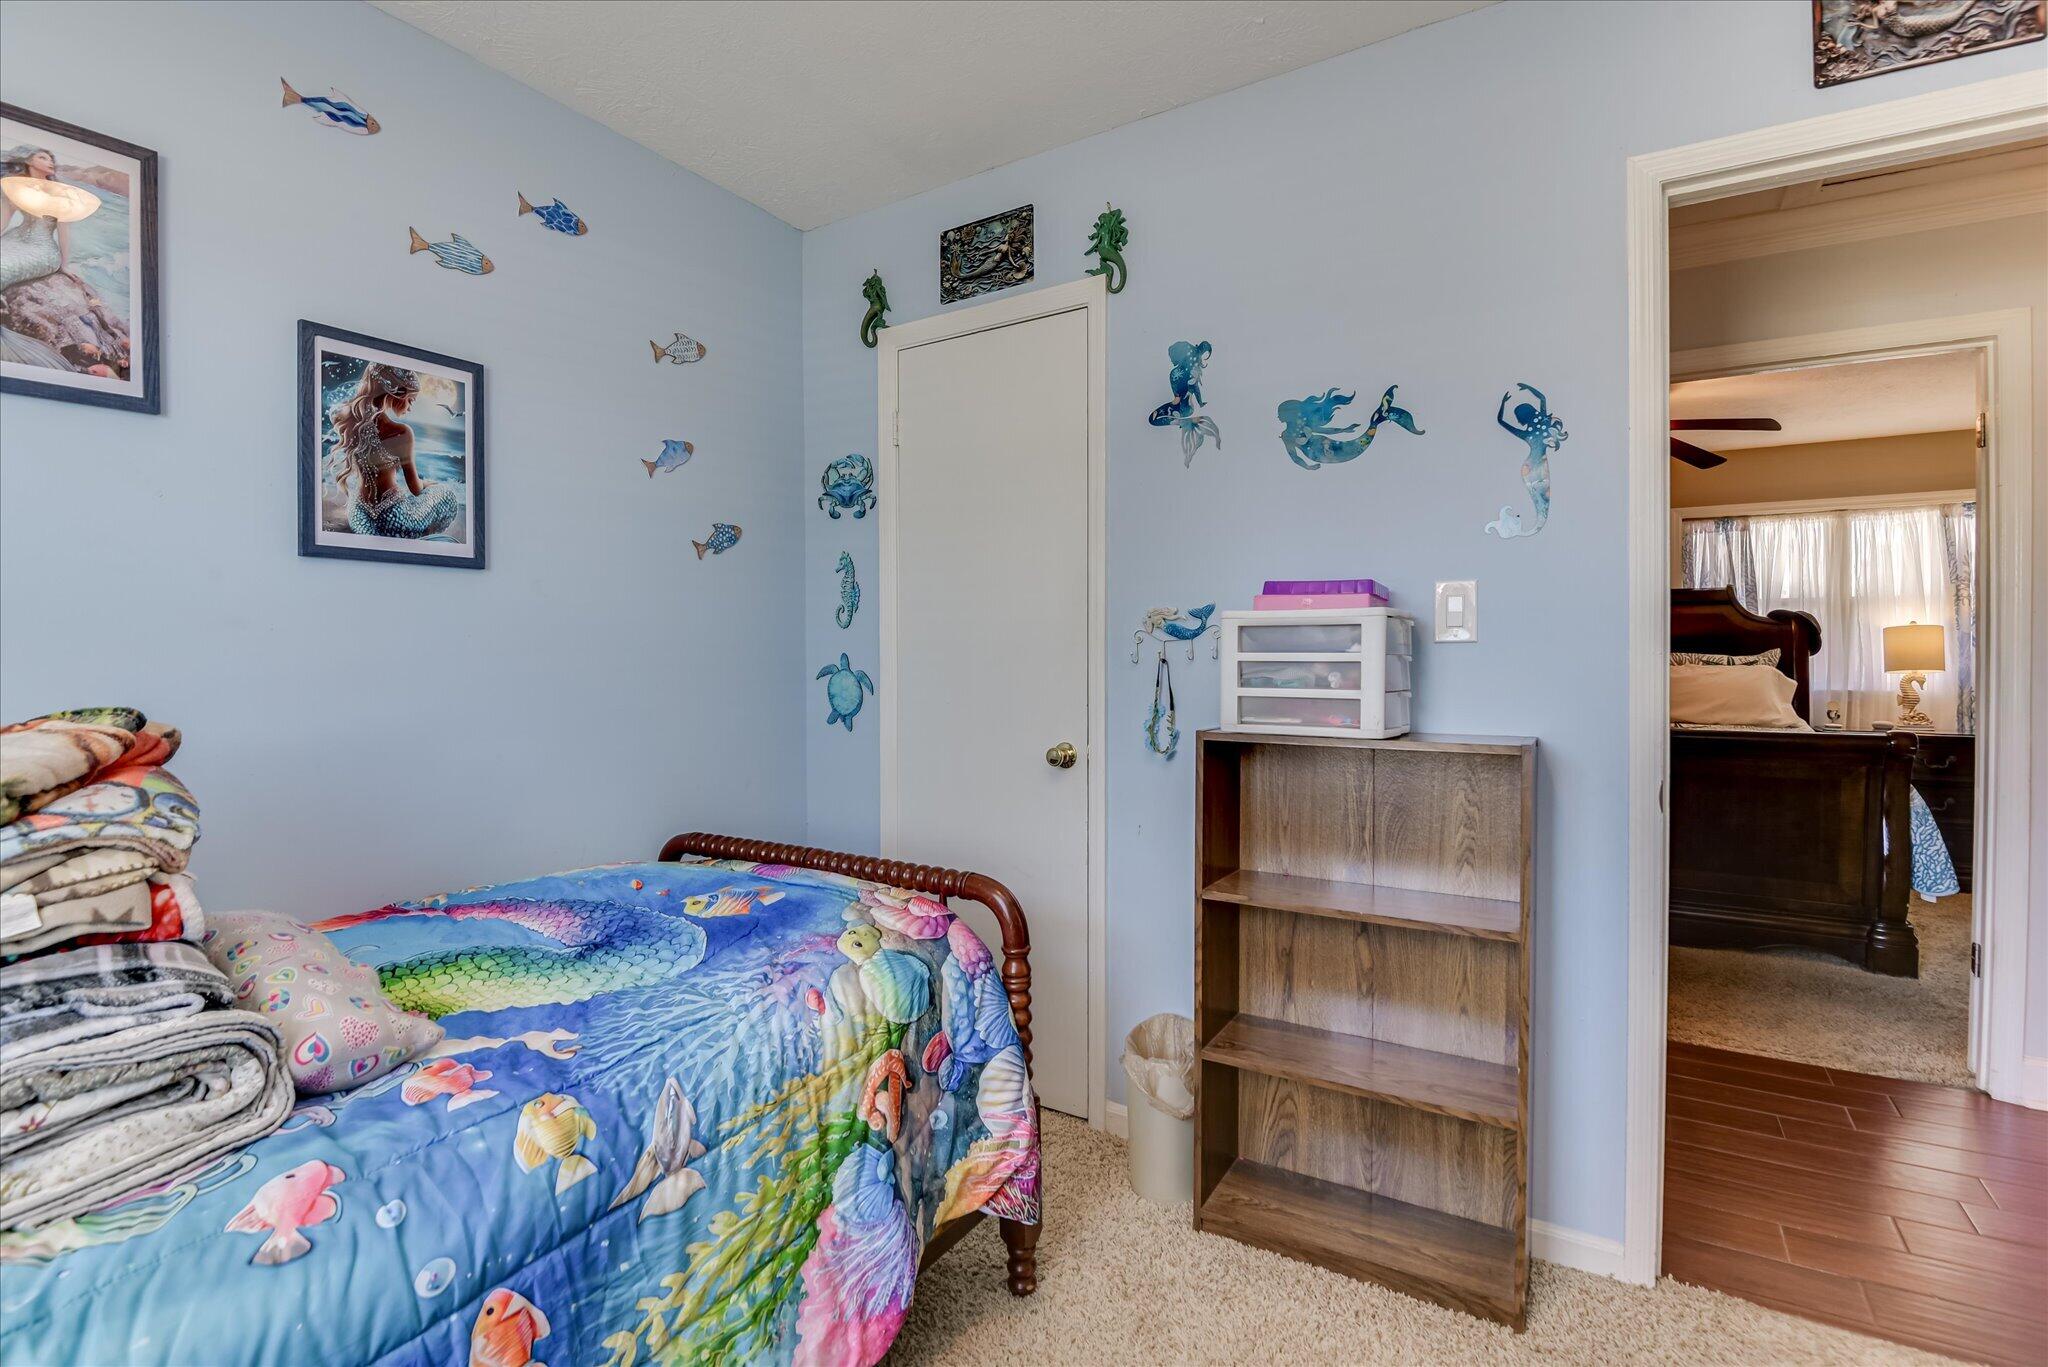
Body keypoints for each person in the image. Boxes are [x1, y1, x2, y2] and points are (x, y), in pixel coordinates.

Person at [328, 364, 460, 538]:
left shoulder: (352, 421)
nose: (410, 407)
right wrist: (427, 484)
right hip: (393, 520)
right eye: (411, 400)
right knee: (446, 494)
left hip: (359, 516)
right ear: (396, 394)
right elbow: (415, 488)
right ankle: (422, 536)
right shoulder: (402, 432)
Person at [0, 148, 72, 292]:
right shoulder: (17, 187)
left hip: (42, 249)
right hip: (13, 239)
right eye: (43, 158)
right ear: (29, 161)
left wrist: (64, 265)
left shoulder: (60, 193)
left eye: (51, 160)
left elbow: (64, 233)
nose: (50, 162)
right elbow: (3, 221)